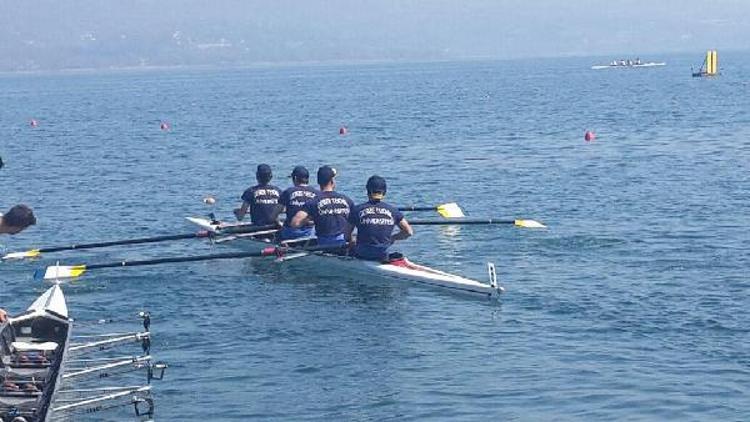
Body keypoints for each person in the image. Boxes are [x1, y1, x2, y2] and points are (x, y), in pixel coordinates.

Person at [345, 175, 413, 261]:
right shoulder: (393, 210)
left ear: (367, 191)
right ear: (384, 192)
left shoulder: (357, 210)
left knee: (351, 247)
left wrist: (352, 242)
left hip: (363, 253)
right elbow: (409, 232)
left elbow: (347, 234)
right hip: (383, 254)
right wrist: (392, 238)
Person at [290, 165, 353, 247]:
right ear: (332, 181)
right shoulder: (347, 200)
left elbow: (295, 223)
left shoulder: (313, 202)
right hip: (343, 242)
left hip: (324, 244)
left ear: (318, 182)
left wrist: (309, 219)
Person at [278, 166, 318, 241]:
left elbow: (276, 212)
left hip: (291, 232)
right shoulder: (317, 193)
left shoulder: (288, 192)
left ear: (295, 178)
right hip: (310, 232)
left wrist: (278, 222)